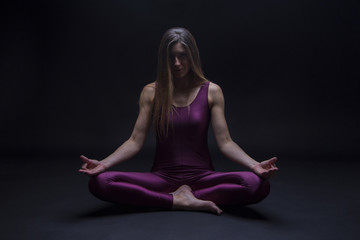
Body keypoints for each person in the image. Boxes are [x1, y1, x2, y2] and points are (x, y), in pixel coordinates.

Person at [79, 27, 278, 215]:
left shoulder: (212, 91)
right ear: (163, 59)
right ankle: (177, 200)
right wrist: (103, 165)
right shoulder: (151, 92)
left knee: (257, 185)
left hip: (202, 179)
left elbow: (225, 142)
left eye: (182, 55)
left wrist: (255, 166)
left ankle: (179, 197)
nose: (176, 63)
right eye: (171, 57)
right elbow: (134, 141)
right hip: (161, 178)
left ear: (192, 56)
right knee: (100, 182)